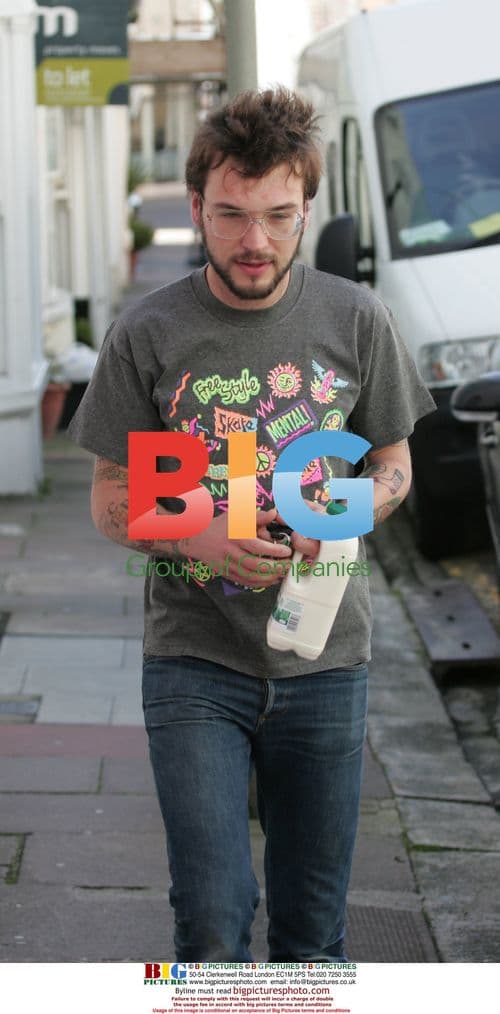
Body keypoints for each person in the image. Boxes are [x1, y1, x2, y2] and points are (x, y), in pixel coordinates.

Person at [68, 87, 435, 962]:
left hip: (326, 660)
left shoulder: (356, 318)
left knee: (313, 934)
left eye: (278, 216)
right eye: (232, 215)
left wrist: (339, 513)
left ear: (307, 210)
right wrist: (191, 533)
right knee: (211, 919)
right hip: (194, 660)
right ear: (197, 208)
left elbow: (394, 466)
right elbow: (111, 495)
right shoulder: (148, 332)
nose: (255, 242)